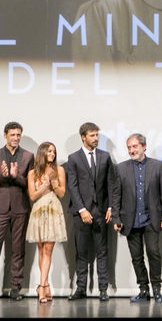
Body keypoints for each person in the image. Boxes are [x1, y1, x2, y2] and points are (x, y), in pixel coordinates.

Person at [112, 133, 162, 303]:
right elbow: (116, 196)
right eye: (129, 147)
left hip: (151, 219)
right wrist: (116, 218)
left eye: (135, 146)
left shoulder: (157, 166)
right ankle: (143, 289)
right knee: (136, 257)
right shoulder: (121, 168)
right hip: (130, 221)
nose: (132, 150)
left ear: (144, 147)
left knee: (153, 253)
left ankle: (157, 289)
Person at [0, 121, 34, 301]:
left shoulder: (28, 156)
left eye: (18, 135)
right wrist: (2, 176)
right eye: (13, 135)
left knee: (18, 249)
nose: (16, 138)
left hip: (20, 207)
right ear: (5, 135)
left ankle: (15, 288)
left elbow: (29, 184)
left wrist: (15, 176)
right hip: (0, 207)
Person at [66, 121, 117, 301]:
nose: (96, 139)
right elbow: (72, 186)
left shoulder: (105, 156)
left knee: (102, 251)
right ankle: (81, 288)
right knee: (81, 252)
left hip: (101, 211)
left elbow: (111, 183)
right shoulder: (73, 159)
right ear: (83, 137)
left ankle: (103, 289)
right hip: (81, 213)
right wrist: (82, 210)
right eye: (92, 135)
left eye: (97, 135)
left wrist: (111, 207)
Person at [26, 141, 67, 303]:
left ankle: (42, 287)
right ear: (42, 153)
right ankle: (45, 285)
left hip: (52, 209)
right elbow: (32, 196)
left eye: (54, 152)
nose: (52, 154)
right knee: (41, 250)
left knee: (48, 250)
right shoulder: (32, 173)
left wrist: (53, 181)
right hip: (38, 210)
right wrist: (44, 186)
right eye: (49, 151)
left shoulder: (60, 170)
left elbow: (62, 193)